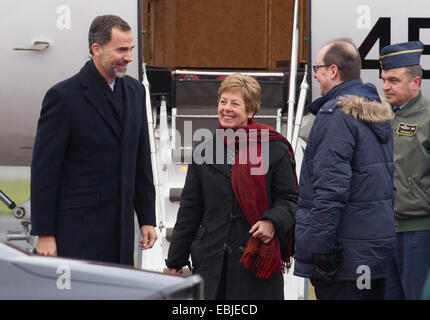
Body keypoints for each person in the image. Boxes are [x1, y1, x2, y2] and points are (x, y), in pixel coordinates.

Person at [30, 15, 157, 266]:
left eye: (131, 49)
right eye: (121, 50)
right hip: (77, 233)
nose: (129, 57)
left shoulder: (135, 91)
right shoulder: (63, 97)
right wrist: (45, 233)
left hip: (120, 233)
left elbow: (140, 159)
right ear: (96, 49)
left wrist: (146, 218)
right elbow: (45, 170)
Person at [165, 74, 298, 299]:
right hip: (211, 265)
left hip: (255, 267)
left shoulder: (274, 149)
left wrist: (272, 222)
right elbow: (189, 211)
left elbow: (289, 199)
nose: (226, 109)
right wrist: (175, 262)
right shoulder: (204, 150)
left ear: (251, 111)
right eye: (223, 101)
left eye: (235, 104)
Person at [293, 38, 396, 300]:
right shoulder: (375, 113)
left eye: (317, 68)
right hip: (374, 253)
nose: (315, 75)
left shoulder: (336, 117)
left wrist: (321, 253)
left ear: (333, 70)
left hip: (345, 260)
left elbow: (330, 191)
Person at [379, 41, 430, 300]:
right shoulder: (378, 118)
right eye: (384, 79)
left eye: (394, 80)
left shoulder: (428, 118)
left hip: (421, 231)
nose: (386, 86)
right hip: (385, 230)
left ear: (416, 82)